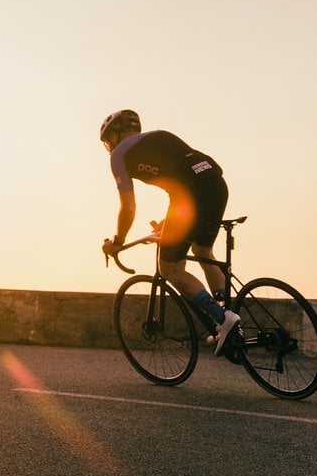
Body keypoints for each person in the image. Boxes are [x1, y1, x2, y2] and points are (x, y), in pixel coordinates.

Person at [99, 109, 240, 355]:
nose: (109, 146)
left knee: (171, 269)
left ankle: (222, 319)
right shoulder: (160, 135)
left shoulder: (119, 154)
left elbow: (128, 206)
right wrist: (169, 220)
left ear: (115, 135)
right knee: (203, 249)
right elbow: (183, 180)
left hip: (190, 195)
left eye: (108, 140)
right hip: (216, 184)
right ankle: (230, 316)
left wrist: (118, 241)